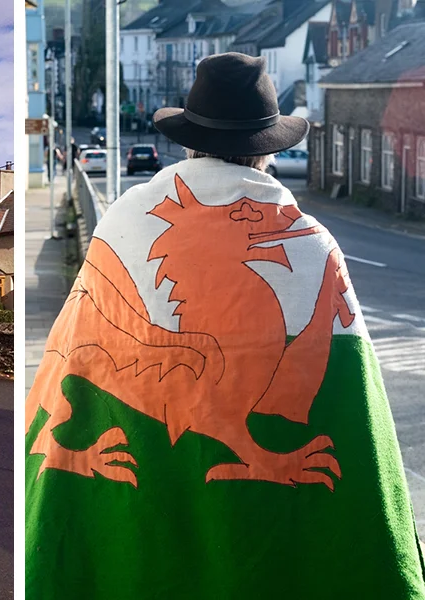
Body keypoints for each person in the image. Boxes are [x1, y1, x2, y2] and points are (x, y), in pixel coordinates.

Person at [25, 53, 425, 599]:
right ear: (267, 152)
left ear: (189, 142)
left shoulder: (121, 220)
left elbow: (67, 354)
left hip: (147, 526)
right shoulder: (313, 242)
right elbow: (358, 412)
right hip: (264, 551)